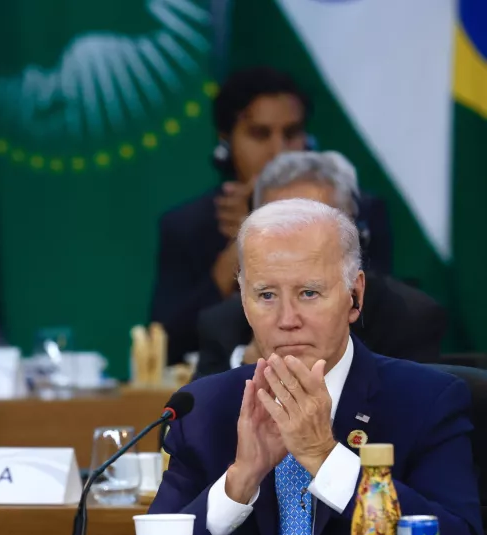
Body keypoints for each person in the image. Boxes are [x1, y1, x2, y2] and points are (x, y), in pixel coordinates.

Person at [131, 199, 482, 535]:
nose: (287, 319)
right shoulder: (203, 410)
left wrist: (325, 457)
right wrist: (238, 483)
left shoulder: (425, 401)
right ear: (243, 302)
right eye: (266, 295)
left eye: (309, 293)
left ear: (355, 297)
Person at [148, 67, 393, 364]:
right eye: (260, 134)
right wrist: (247, 243)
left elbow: (381, 319)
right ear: (225, 142)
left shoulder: (354, 210)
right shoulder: (189, 224)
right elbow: (163, 347)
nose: (280, 151)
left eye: (291, 134)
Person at [195, 151, 446, 377]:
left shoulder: (407, 317)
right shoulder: (223, 325)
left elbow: (411, 422)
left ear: (355, 232)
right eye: (279, 223)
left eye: (314, 221)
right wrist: (246, 364)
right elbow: (184, 426)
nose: (288, 319)